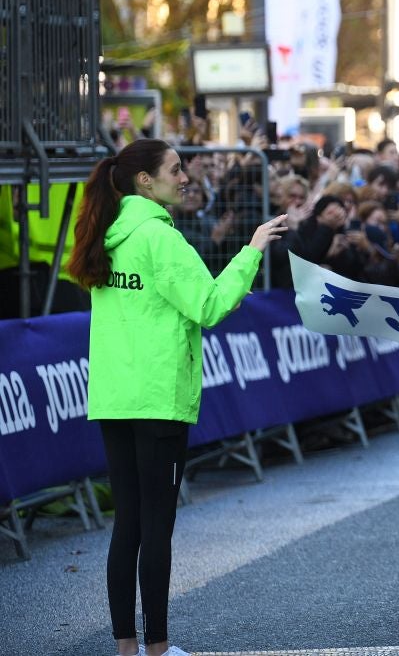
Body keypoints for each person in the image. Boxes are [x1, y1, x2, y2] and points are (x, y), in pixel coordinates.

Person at [67, 138, 287, 656]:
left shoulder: (106, 233)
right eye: (176, 168)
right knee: (156, 528)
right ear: (146, 180)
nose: (185, 176)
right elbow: (209, 306)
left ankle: (128, 648)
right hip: (159, 397)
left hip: (115, 396)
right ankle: (158, 649)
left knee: (128, 525)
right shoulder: (158, 238)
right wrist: (252, 249)